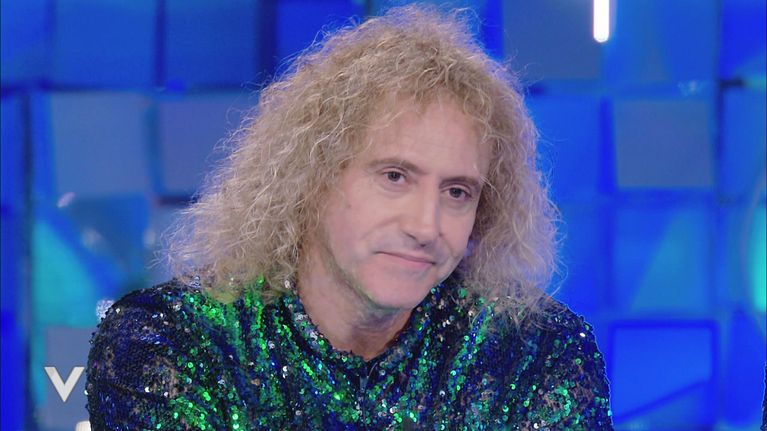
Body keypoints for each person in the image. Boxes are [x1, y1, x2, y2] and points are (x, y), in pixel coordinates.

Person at [86, 5, 613, 430]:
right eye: (395, 177)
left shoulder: (536, 352)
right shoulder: (170, 341)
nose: (425, 226)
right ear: (312, 176)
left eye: (457, 192)